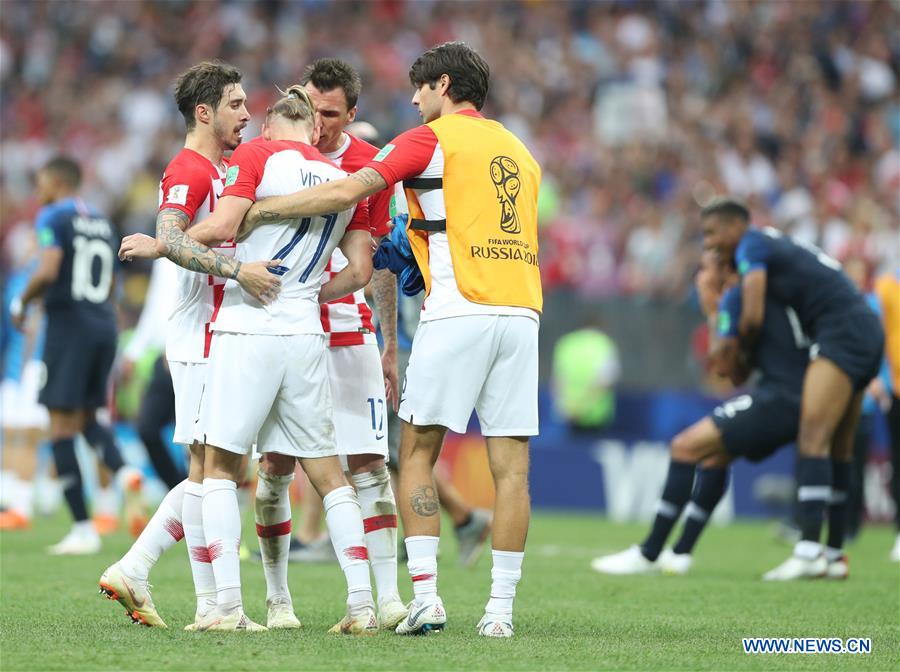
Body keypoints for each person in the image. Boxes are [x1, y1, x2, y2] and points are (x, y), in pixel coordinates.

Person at [239, 41, 542, 638]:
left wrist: (258, 212)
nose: (413, 99)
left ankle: (425, 598)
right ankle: (500, 613)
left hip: (459, 308)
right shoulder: (520, 150)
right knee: (512, 472)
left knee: (416, 453)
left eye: (421, 89)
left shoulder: (428, 139)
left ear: (443, 85)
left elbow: (346, 194)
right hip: (523, 312)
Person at [145, 86, 378, 634]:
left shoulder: (256, 156)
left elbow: (225, 225)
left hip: (248, 326)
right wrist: (309, 296)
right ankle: (363, 606)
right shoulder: (340, 180)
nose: (251, 126)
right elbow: (360, 272)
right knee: (326, 471)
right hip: (306, 333)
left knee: (221, 467)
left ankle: (226, 606)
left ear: (276, 123)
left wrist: (161, 242)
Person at [101, 60, 276, 630]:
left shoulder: (217, 169)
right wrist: (238, 269)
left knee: (207, 472)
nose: (247, 114)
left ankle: (187, 593)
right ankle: (213, 599)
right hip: (199, 333)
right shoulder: (190, 168)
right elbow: (169, 236)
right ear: (204, 112)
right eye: (235, 104)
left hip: (212, 330)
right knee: (218, 468)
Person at [249, 59, 406, 630]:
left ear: (352, 114)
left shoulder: (367, 166)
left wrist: (389, 343)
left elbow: (377, 266)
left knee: (368, 464)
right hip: (284, 333)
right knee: (274, 465)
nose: (317, 124)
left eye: (331, 115)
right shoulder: (271, 156)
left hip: (346, 331)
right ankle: (277, 600)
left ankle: (386, 600)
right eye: (310, 110)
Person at [591, 250, 855, 576]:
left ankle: (648, 554)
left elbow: (724, 370)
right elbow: (741, 371)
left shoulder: (735, 298)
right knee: (716, 456)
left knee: (684, 446)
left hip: (783, 397)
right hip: (806, 394)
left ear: (723, 272)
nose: (699, 276)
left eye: (704, 269)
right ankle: (682, 553)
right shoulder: (767, 295)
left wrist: (714, 311)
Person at [702, 197, 884, 580]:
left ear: (736, 226)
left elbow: (751, 313)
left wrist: (743, 351)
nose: (709, 244)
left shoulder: (753, 243)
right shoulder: (777, 243)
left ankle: (806, 551)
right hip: (865, 328)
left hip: (840, 332)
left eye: (712, 232)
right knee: (839, 448)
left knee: (812, 436)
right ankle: (833, 555)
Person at [10, 156, 143, 556]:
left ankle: (83, 529)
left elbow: (49, 270)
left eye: (41, 183)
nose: (39, 191)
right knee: (86, 416)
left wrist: (22, 301)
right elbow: (116, 279)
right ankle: (125, 471)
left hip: (68, 328)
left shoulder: (52, 217)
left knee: (60, 427)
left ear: (53, 181)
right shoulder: (103, 221)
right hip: (104, 326)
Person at [0, 226, 48, 531]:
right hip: (13, 369)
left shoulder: (46, 276)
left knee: (29, 433)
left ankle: (24, 503)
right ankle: (8, 497)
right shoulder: (17, 279)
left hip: (37, 366)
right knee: (9, 431)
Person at [872, 270, 900, 561]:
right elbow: (880, 335)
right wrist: (878, 376)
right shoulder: (888, 285)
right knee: (898, 462)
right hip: (897, 388)